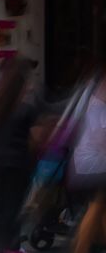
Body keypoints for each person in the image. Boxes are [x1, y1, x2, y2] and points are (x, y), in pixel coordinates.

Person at [0, 56, 41, 253]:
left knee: (0, 211)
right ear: (21, 83)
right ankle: (10, 249)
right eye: (29, 80)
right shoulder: (26, 109)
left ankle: (6, 247)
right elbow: (36, 138)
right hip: (16, 167)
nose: (32, 85)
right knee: (11, 212)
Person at [70, 71, 106, 253]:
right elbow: (101, 139)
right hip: (94, 165)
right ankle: (81, 248)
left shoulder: (92, 100)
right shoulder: (99, 106)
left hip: (87, 163)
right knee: (97, 204)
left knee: (98, 206)